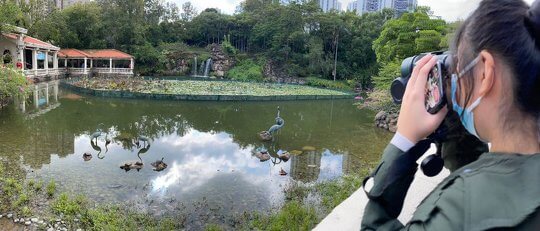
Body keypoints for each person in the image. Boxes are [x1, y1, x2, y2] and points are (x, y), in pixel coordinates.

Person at [361, 0, 540, 230]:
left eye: (457, 70)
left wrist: (403, 139)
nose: (453, 83)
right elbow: (484, 173)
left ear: (485, 72)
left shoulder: (457, 209)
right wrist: (456, 128)